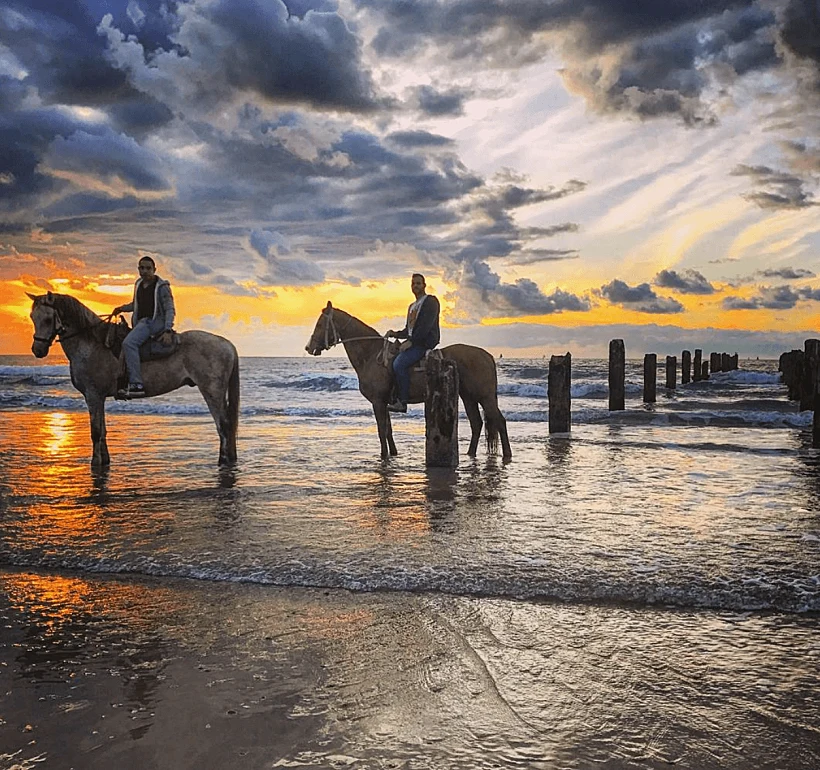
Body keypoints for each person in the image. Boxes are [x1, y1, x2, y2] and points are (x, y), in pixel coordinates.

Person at [111, 255, 175, 398]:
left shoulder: (162, 287)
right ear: (138, 269)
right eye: (142, 268)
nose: (144, 271)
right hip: (141, 323)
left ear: (154, 270)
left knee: (128, 343)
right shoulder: (139, 284)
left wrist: (167, 329)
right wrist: (121, 309)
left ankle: (137, 384)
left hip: (153, 323)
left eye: (148, 268)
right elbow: (136, 304)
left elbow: (170, 309)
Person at [385, 273, 440, 413]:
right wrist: (395, 334)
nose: (415, 286)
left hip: (424, 343)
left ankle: (402, 401)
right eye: (413, 283)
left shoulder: (430, 301)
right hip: (415, 341)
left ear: (424, 285)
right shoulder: (412, 306)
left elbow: (425, 326)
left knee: (399, 364)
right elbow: (409, 330)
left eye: (418, 283)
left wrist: (411, 342)